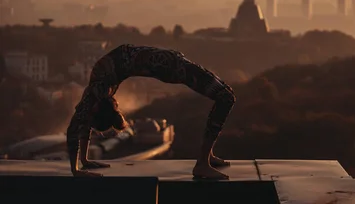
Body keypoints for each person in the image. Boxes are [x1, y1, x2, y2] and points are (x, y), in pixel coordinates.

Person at [66, 44, 236, 180]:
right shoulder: (99, 90)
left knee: (225, 96)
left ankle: (204, 161)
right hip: (171, 64)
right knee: (225, 97)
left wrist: (77, 168)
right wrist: (83, 161)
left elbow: (76, 125)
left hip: (172, 66)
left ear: (97, 111)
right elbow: (83, 120)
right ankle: (204, 161)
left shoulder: (97, 90)